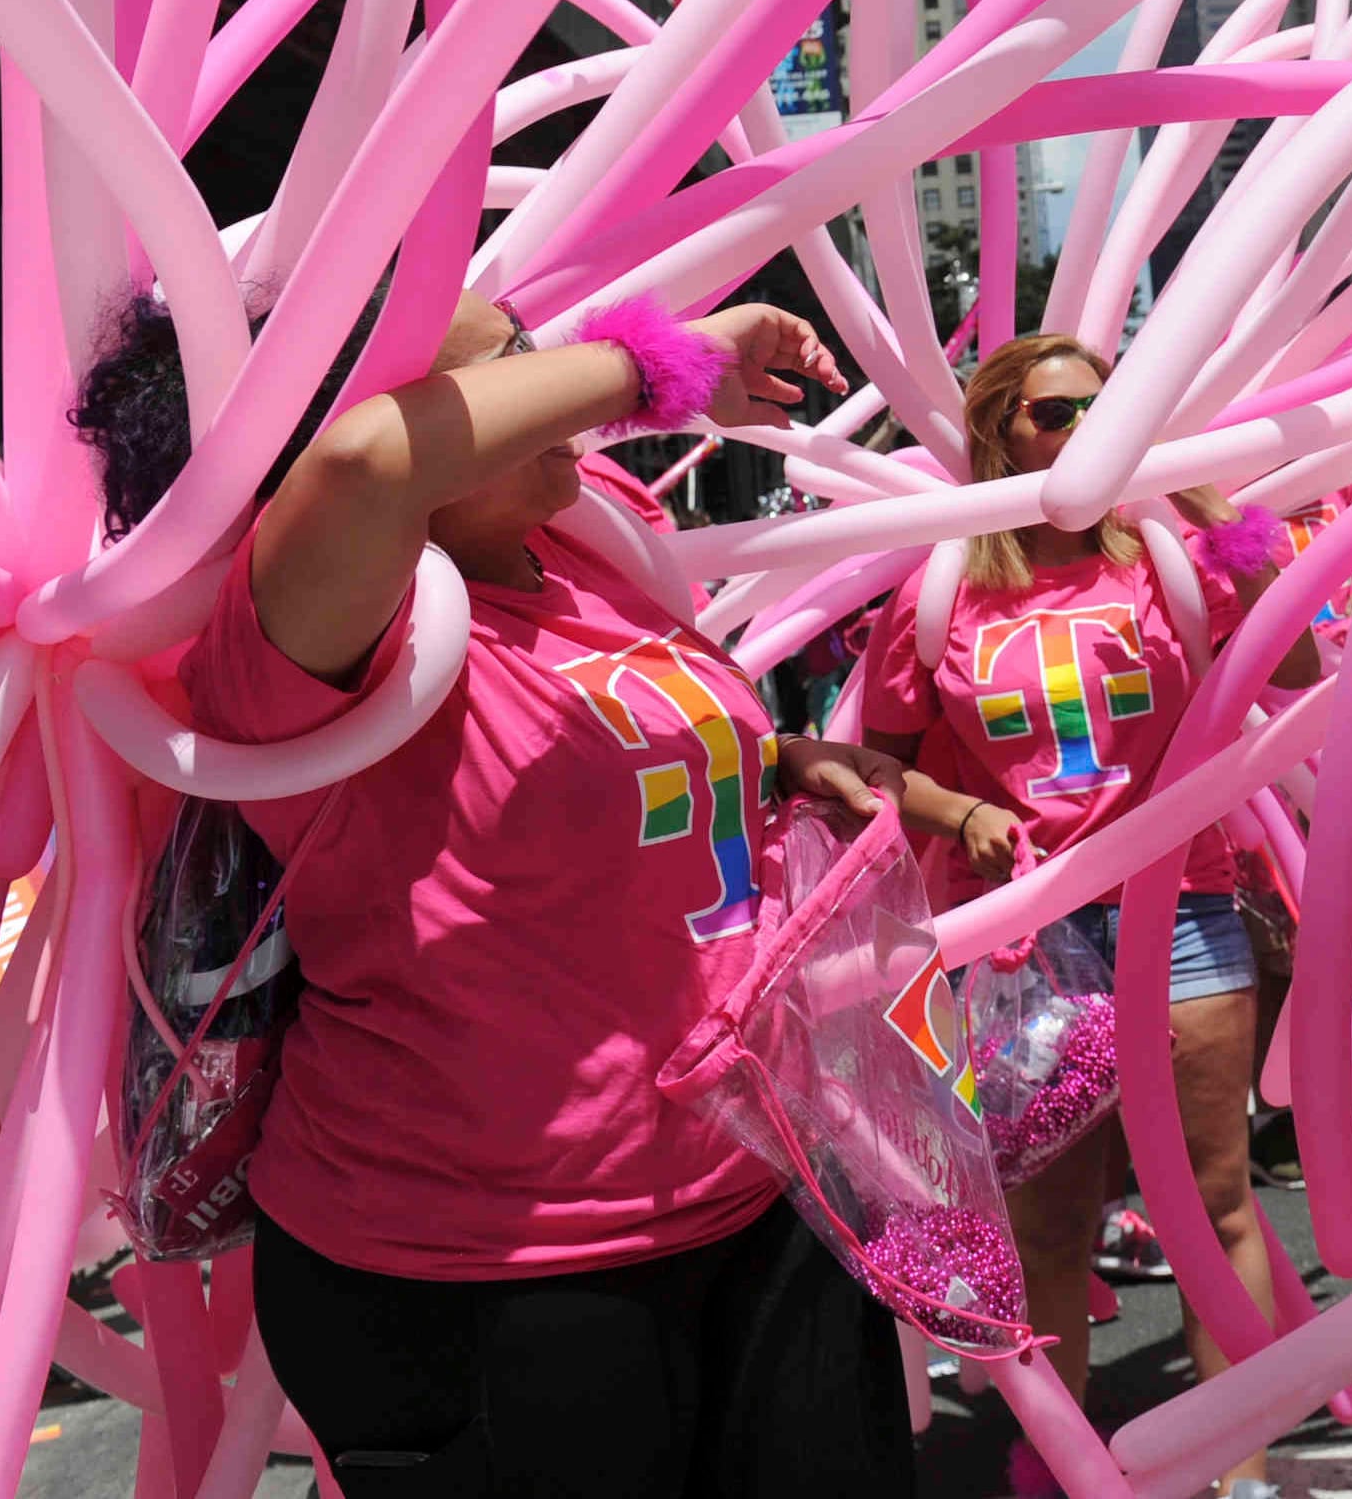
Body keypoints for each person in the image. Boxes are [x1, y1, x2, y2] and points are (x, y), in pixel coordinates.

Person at [72, 286, 918, 1496]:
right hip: (483, 1266)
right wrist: (655, 363)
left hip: (753, 1177)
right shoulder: (305, 631)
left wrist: (779, 764)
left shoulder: (576, 546)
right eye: (509, 368)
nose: (556, 375)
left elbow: (572, 765)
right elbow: (368, 464)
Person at [864, 333, 1307, 1499]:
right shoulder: (942, 587)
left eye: (1107, 414)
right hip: (1020, 943)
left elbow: (1299, 660)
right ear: (1000, 433)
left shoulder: (1171, 559)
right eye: (1057, 416)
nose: (1085, 437)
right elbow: (871, 766)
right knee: (1049, 1225)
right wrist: (959, 813)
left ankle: (1242, 1470)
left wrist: (1201, 497)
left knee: (1213, 1204)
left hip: (1187, 909)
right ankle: (1055, 1468)